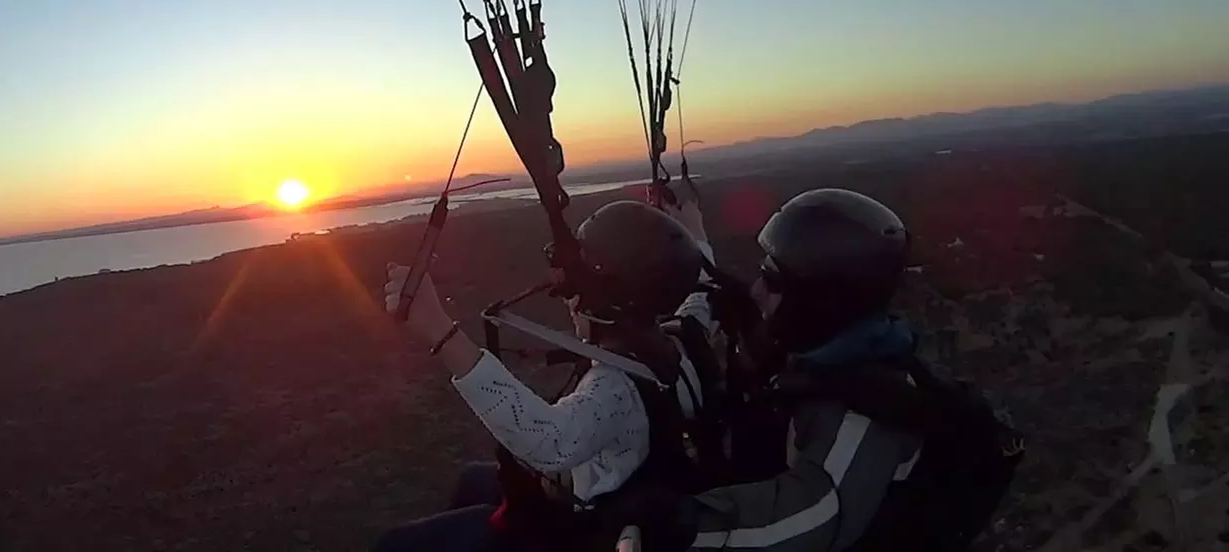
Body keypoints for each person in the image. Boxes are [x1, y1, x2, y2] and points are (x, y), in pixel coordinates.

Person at [374, 188, 725, 552]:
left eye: (576, 293)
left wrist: (439, 329)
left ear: (606, 307)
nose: (571, 302)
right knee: (472, 480)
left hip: (587, 526)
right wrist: (691, 231)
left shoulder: (615, 387)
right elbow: (704, 291)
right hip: (621, 482)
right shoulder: (684, 338)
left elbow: (551, 441)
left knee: (396, 543)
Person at [673, 187, 1022, 552]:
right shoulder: (842, 356)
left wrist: (678, 526)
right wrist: (748, 327)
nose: (756, 290)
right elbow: (784, 373)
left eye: (772, 281)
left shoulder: (865, 410)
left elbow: (809, 519)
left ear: (819, 301)